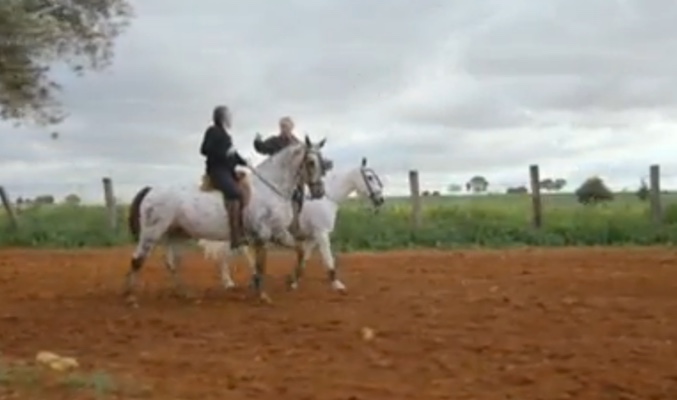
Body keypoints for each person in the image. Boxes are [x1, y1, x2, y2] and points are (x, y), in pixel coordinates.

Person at [200, 105, 248, 250]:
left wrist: (243, 161)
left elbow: (232, 155)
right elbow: (204, 149)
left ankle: (242, 229)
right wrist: (224, 153)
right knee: (235, 193)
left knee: (245, 190)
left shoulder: (226, 135)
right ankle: (235, 236)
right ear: (222, 117)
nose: (231, 118)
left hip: (228, 171)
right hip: (216, 171)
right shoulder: (212, 131)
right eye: (228, 116)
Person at [253, 116, 305, 236]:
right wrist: (257, 141)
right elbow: (262, 148)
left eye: (286, 127)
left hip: (291, 179)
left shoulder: (297, 144)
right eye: (282, 127)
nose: (284, 129)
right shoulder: (275, 141)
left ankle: (295, 225)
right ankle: (269, 224)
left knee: (298, 196)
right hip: (275, 178)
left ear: (291, 128)